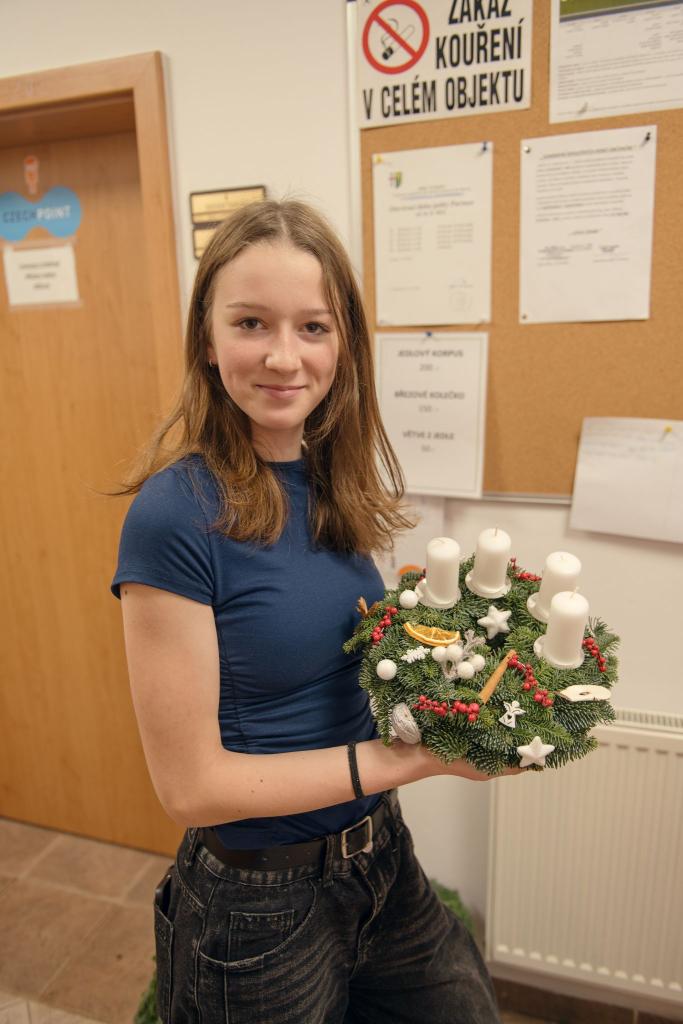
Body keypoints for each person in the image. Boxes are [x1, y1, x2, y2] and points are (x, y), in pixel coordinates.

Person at [111, 199, 516, 1023]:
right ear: (207, 339)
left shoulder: (332, 479)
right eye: (251, 323)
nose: (283, 356)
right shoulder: (175, 514)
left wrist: (462, 686)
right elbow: (191, 789)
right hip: (258, 901)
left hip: (379, 859)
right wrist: (413, 761)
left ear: (343, 344)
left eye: (313, 327)